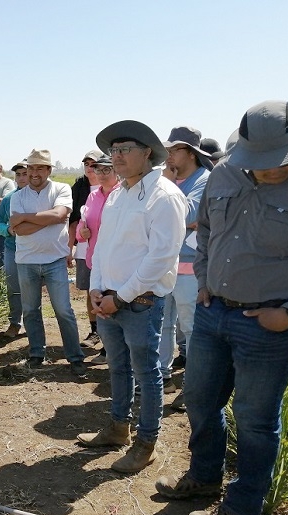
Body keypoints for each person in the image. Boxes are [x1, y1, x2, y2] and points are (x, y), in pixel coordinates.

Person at [155, 100, 288, 515]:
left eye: (277, 164)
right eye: (257, 162)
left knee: (253, 417)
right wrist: (208, 282)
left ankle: (242, 509)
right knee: (198, 399)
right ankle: (204, 477)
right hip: (216, 313)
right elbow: (208, 229)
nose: (265, 171)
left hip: (273, 326)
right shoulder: (227, 173)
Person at [77, 121, 186, 473]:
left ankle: (146, 442)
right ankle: (118, 427)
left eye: (125, 149)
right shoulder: (120, 194)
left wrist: (119, 298)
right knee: (118, 366)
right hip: (108, 297)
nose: (117, 156)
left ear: (147, 154)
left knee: (148, 372)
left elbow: (161, 258)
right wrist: (96, 288)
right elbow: (104, 247)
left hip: (139, 302)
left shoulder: (164, 196)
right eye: (114, 150)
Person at [9, 149, 86, 376]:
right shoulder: (18, 197)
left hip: (54, 260)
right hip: (26, 261)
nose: (34, 173)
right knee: (31, 310)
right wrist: (50, 217)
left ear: (49, 170)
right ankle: (36, 354)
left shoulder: (61, 189)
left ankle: (74, 357)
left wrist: (27, 217)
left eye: (40, 168)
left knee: (64, 310)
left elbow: (61, 215)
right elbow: (20, 231)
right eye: (31, 168)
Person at [159, 126, 212, 400]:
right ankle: (163, 378)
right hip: (164, 265)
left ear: (190, 153)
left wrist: (167, 190)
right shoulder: (173, 181)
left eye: (173, 150)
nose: (167, 156)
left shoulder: (205, 180)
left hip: (191, 269)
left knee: (191, 328)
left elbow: (189, 215)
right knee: (164, 324)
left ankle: (192, 387)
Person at [75, 154, 120, 365]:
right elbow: (82, 225)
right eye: (98, 169)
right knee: (99, 303)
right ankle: (107, 347)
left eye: (106, 169)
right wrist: (80, 233)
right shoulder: (93, 196)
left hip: (115, 261)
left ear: (116, 171)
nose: (100, 173)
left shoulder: (122, 194)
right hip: (95, 260)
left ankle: (112, 351)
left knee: (114, 307)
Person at [70, 150, 102, 347]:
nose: (89, 168)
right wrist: (70, 249)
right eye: (86, 164)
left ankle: (108, 335)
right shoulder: (80, 187)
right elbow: (73, 220)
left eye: (94, 164)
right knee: (90, 289)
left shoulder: (113, 187)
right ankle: (95, 331)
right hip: (84, 247)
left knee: (107, 290)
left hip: (106, 250)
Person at [0, 160, 29, 338]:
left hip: (33, 251)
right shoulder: (8, 199)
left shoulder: (39, 197)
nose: (21, 178)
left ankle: (32, 323)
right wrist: (7, 230)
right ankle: (15, 323)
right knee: (13, 287)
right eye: (18, 174)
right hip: (12, 249)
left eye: (25, 173)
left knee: (32, 288)